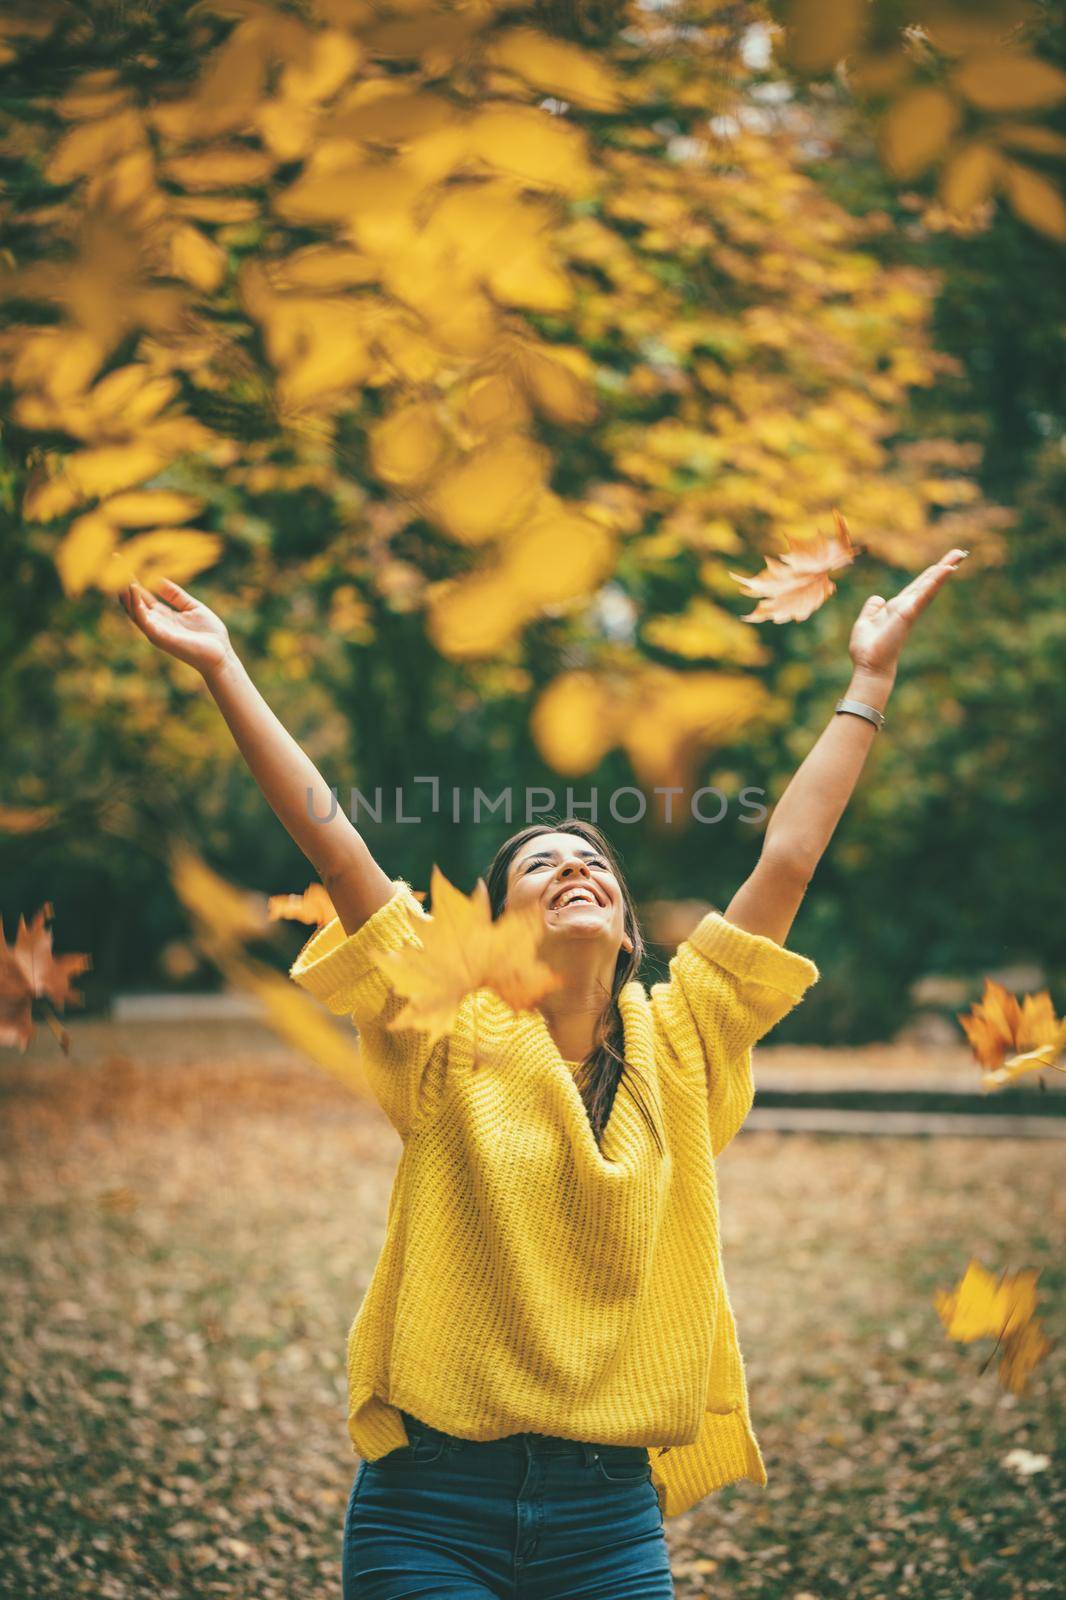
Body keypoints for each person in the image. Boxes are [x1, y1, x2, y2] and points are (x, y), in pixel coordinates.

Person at [119, 545, 969, 1598]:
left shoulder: (689, 1037)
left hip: (607, 1519)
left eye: (595, 864)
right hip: (428, 1507)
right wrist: (223, 668)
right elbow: (336, 849)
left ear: (626, 932)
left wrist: (869, 680)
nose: (576, 866)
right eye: (541, 863)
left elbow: (786, 858)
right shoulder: (443, 1028)